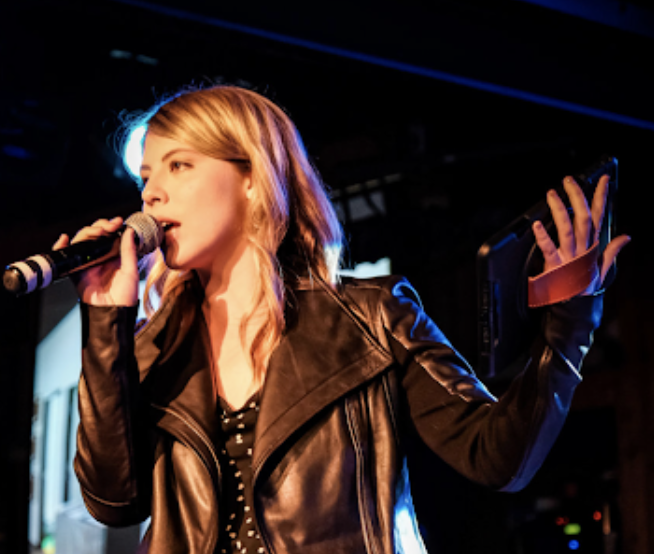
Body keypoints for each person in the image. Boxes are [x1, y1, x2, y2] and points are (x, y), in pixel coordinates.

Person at [55, 85, 630, 554]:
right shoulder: (153, 347)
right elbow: (114, 502)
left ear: (252, 178)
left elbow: (496, 456)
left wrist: (569, 323)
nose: (151, 194)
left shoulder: (372, 317)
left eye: (179, 165)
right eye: (146, 177)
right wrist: (105, 323)